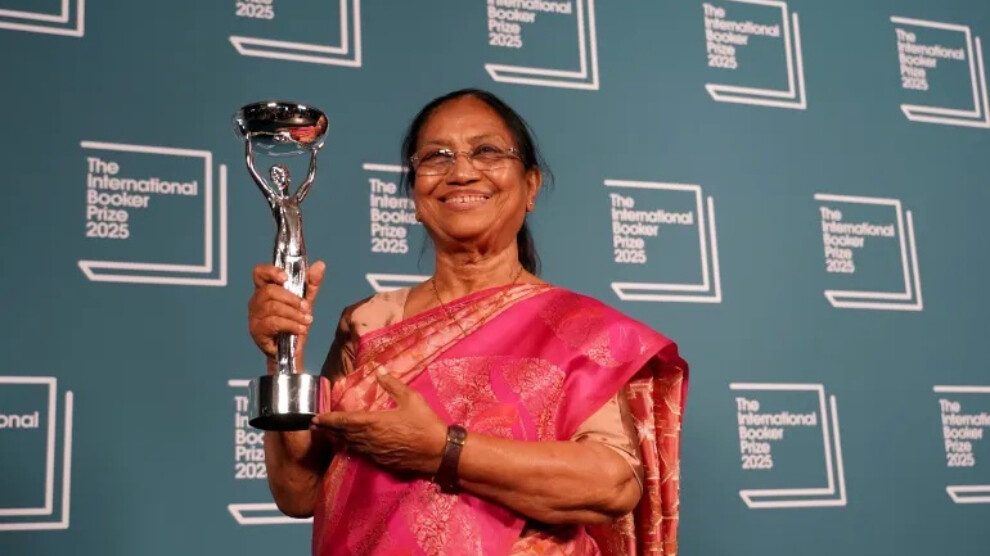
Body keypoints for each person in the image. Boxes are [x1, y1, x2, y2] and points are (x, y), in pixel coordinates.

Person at [247, 89, 688, 556]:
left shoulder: (582, 331)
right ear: (415, 196)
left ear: (531, 186)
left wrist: (444, 450)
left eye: (487, 151)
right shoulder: (368, 323)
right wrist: (282, 354)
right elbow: (300, 493)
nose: (460, 172)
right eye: (436, 156)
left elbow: (612, 485)